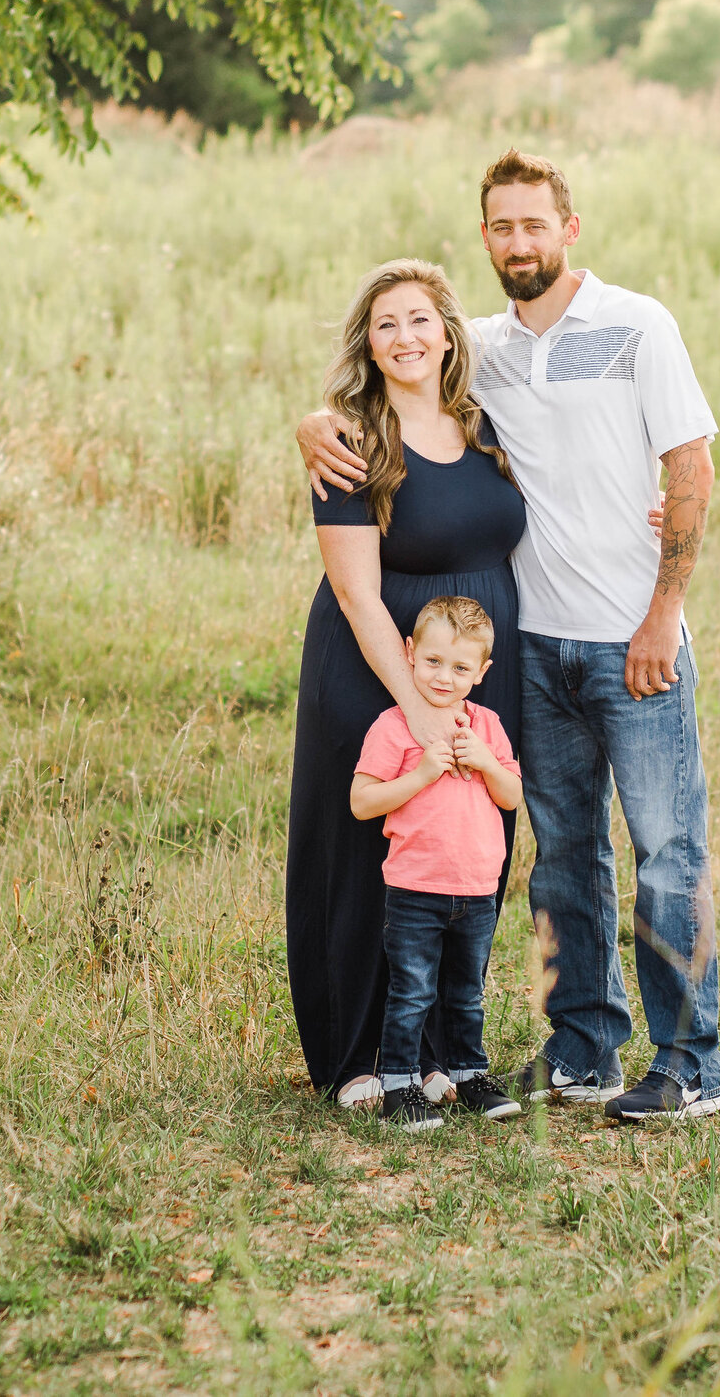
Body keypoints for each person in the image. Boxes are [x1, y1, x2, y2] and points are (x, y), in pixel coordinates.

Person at [300, 151, 720, 1124]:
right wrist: (310, 421)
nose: (519, 241)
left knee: (666, 850)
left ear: (568, 228)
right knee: (564, 857)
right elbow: (395, 371)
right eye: (501, 226)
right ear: (485, 235)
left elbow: (691, 464)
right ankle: (582, 1049)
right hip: (534, 648)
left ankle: (690, 1063)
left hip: (634, 640)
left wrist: (664, 610)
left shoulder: (636, 324)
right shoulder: (481, 346)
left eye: (536, 223)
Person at [287, 259, 527, 1112]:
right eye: (386, 323)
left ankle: (434, 1048)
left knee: (462, 844)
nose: (406, 337)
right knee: (368, 850)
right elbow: (355, 589)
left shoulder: (487, 422)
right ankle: (355, 1053)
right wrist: (421, 704)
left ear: (448, 331)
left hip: (476, 670)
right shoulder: (351, 440)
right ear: (369, 342)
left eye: (420, 318)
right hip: (378, 666)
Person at [349, 596, 528, 1132]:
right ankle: (401, 1085)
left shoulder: (488, 728)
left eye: (459, 667)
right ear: (409, 653)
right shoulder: (394, 727)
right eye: (432, 661)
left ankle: (470, 1074)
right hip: (415, 887)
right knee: (412, 990)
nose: (443, 677)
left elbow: (513, 796)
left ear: (482, 671)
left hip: (477, 889)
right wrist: (422, 773)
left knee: (467, 989)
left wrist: (485, 764)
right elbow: (362, 802)